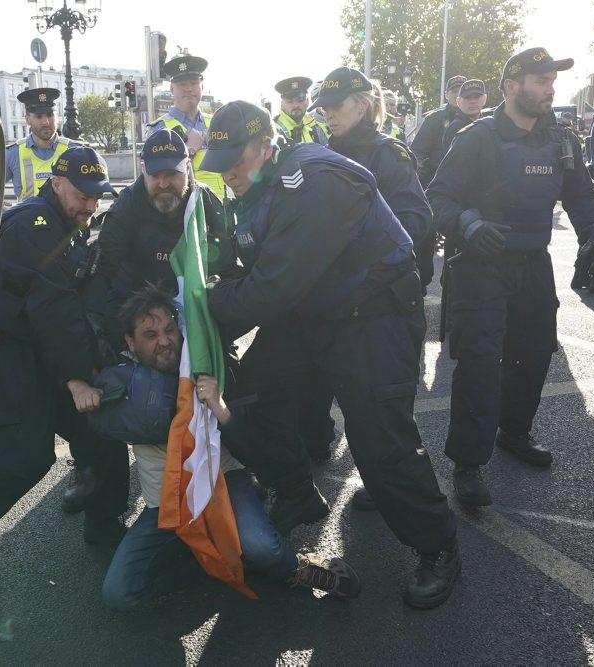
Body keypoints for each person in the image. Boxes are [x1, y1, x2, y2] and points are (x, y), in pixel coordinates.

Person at [200, 100, 460, 609]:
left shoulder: (314, 180)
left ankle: (438, 546)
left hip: (374, 316)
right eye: (220, 160)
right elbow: (255, 270)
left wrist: (197, 305)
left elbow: (268, 289)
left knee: (379, 442)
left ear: (262, 146)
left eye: (235, 157)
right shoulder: (262, 186)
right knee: (253, 391)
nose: (227, 172)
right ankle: (296, 489)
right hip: (318, 311)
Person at [94, 286, 360, 609]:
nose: (164, 341)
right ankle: (220, 564)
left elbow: (253, 454)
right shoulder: (120, 384)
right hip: (166, 505)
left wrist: (222, 410)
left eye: (168, 330)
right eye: (150, 335)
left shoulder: (207, 367)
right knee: (118, 593)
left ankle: (299, 568)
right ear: (131, 343)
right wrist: (77, 385)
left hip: (224, 483)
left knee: (263, 547)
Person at [0, 146, 130, 578]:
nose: (91, 205)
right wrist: (77, 379)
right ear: (57, 182)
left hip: (36, 342)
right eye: (83, 195)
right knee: (23, 457)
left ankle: (103, 526)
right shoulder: (33, 225)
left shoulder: (65, 221)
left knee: (101, 430)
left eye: (97, 196)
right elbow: (54, 312)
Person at [426, 48, 594, 506]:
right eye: (540, 81)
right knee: (480, 365)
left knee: (535, 352)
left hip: (534, 265)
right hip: (481, 269)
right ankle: (467, 462)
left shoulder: (561, 140)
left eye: (551, 80)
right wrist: (467, 223)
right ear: (511, 86)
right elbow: (436, 197)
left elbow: (582, 197)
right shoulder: (476, 138)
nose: (550, 89)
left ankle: (514, 432)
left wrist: (593, 237)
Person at [305, 67, 433, 509]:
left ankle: (430, 534)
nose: (326, 113)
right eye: (323, 107)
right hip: (340, 306)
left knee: (386, 422)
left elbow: (416, 226)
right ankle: (377, 481)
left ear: (362, 105)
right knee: (355, 413)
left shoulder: (388, 156)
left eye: (335, 106)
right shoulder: (324, 154)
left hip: (382, 306)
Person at [87, 128, 235, 343]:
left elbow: (229, 270)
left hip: (197, 313)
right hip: (137, 312)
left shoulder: (206, 204)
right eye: (155, 176)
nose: (163, 184)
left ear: (187, 168)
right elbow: (102, 277)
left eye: (172, 175)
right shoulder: (125, 207)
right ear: (143, 170)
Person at [411, 74, 467, 291]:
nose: (458, 95)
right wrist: (425, 177)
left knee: (458, 237)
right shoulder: (434, 120)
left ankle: (452, 283)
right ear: (447, 94)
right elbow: (418, 151)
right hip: (434, 186)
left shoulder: (478, 119)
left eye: (463, 91)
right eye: (454, 91)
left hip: (462, 188)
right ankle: (421, 282)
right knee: (426, 238)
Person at [147, 54, 227, 200]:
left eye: (194, 83)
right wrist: (189, 151)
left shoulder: (217, 123)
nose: (189, 88)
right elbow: (156, 178)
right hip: (183, 211)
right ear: (172, 89)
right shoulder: (158, 129)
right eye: (182, 84)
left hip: (220, 210)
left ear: (202, 86)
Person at [4, 87, 74, 201]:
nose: (46, 122)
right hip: (27, 218)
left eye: (50, 115)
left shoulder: (73, 150)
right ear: (27, 120)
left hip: (62, 219)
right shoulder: (12, 154)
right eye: (39, 116)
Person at [273, 76, 329, 145]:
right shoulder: (274, 130)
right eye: (290, 101)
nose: (296, 105)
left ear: (307, 102)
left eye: (300, 100)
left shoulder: (314, 125)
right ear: (282, 105)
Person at [442, 79, 487, 151]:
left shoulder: (488, 125)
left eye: (476, 97)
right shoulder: (455, 128)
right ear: (458, 101)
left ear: (484, 99)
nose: (472, 101)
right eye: (467, 97)